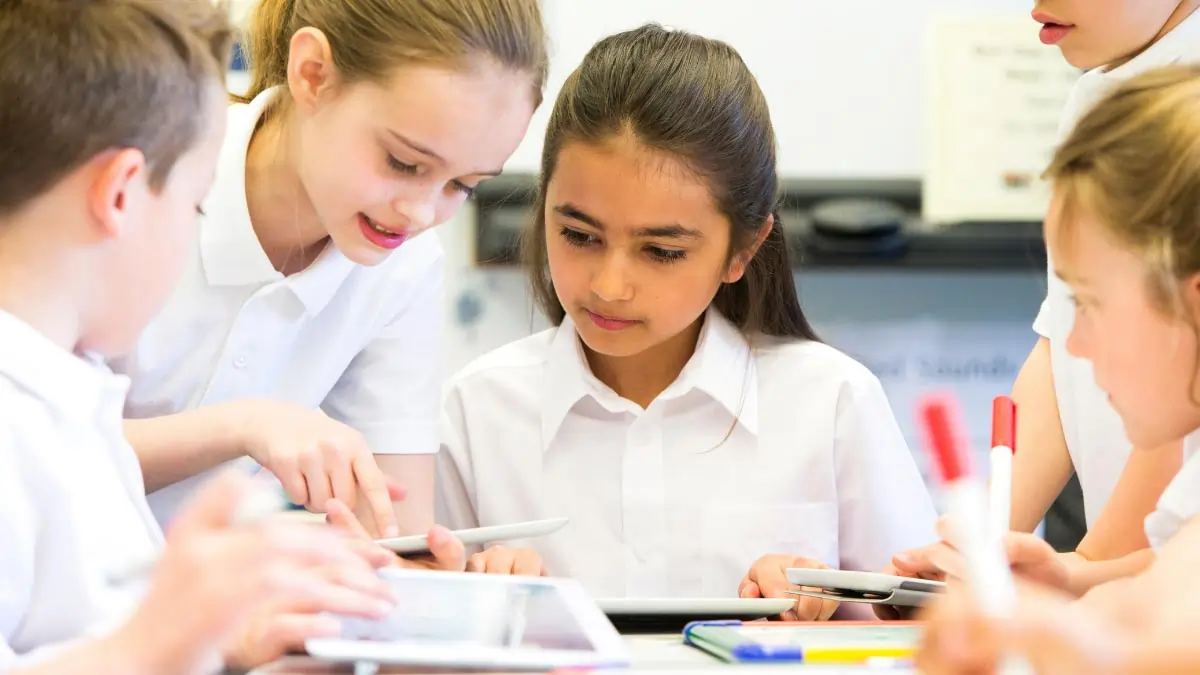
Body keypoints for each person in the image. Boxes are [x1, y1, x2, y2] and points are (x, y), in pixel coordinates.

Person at [435, 24, 939, 621]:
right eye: (578, 235)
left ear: (742, 252)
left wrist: (829, 611)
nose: (608, 285)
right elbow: (407, 634)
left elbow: (935, 633)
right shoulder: (478, 408)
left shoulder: (830, 401)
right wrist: (471, 602)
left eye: (661, 251)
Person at [0, 1, 399, 671]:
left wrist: (221, 636)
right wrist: (154, 642)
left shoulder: (72, 402)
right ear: (122, 192)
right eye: (196, 204)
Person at [115, 0, 549, 541]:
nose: (420, 213)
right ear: (313, 75)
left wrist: (434, 571)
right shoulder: (139, 170)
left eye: (462, 186)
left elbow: (393, 529)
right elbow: (24, 442)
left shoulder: (405, 266)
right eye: (404, 163)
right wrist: (245, 425)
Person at [880, 1, 1200, 607]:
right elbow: (1063, 347)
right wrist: (986, 555)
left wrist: (1080, 581)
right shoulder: (1099, 90)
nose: (1034, 3)